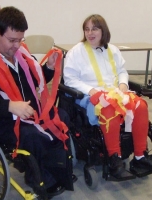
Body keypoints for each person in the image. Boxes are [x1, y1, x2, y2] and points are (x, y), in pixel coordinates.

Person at [0, 6, 74, 198]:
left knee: (61, 116)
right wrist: (9, 107)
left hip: (24, 110)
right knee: (32, 135)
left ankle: (56, 168)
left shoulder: (20, 55)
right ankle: (41, 178)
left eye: (20, 40)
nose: (17, 45)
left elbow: (32, 82)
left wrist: (49, 69)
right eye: (12, 40)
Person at [63, 14, 152, 178]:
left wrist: (123, 84)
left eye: (94, 29)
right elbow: (69, 79)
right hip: (88, 95)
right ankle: (114, 158)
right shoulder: (76, 52)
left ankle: (140, 156)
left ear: (103, 31)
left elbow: (122, 71)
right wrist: (90, 90)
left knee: (140, 105)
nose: (90, 33)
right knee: (108, 107)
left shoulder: (112, 50)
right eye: (87, 29)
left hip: (114, 92)